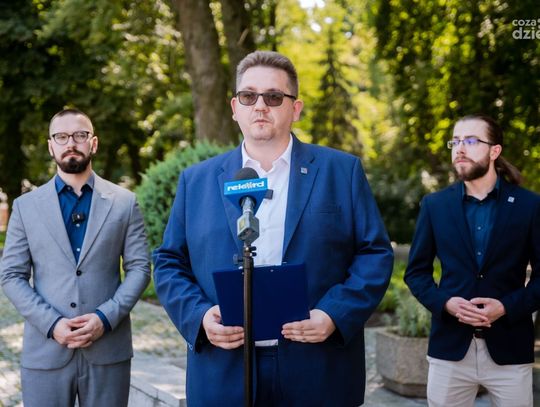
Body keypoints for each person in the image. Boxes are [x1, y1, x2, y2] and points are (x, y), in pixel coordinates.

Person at [153, 50, 393, 406]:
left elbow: (375, 254)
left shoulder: (341, 172)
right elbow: (169, 261)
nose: (260, 106)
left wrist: (333, 314)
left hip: (317, 368)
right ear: (235, 108)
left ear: (295, 109)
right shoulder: (196, 181)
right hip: (224, 370)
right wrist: (199, 317)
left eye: (274, 97)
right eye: (248, 96)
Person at [0, 108, 151, 407]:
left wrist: (105, 318)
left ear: (93, 143)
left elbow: (140, 268)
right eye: (61, 136)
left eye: (80, 135)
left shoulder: (124, 203)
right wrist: (52, 323)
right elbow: (11, 275)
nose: (71, 143)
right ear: (50, 146)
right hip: (45, 351)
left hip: (108, 351)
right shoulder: (25, 207)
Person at [405, 114, 540, 406]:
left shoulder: (530, 205)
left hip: (510, 348)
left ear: (494, 151)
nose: (460, 149)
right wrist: (445, 303)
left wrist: (505, 307)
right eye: (455, 142)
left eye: (471, 141)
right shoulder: (434, 205)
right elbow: (416, 273)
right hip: (449, 350)